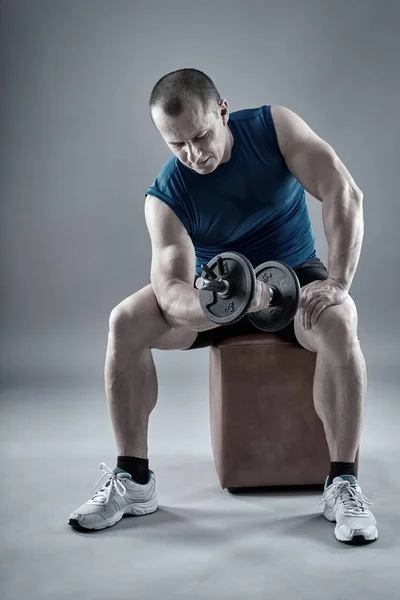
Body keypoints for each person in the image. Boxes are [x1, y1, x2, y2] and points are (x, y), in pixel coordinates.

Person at [68, 68, 378, 545]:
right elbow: (171, 288)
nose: (194, 155)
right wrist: (225, 302)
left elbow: (344, 191)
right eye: (177, 146)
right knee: (125, 322)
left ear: (223, 111)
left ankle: (342, 483)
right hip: (215, 297)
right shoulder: (166, 196)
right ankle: (133, 480)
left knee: (342, 322)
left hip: (295, 281)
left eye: (201, 136)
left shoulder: (275, 130)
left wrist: (337, 281)